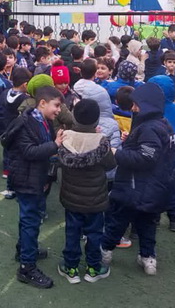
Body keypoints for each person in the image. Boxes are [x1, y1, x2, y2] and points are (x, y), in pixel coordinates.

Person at [100, 83, 175, 276]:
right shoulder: (163, 124)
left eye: (137, 104)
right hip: (155, 187)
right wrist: (130, 142)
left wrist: (116, 152)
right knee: (147, 224)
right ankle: (148, 257)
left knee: (118, 220)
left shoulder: (149, 128)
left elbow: (146, 158)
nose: (133, 108)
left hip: (135, 187)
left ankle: (105, 250)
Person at [3, 86, 65, 289]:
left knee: (29, 218)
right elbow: (29, 152)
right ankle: (26, 267)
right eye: (56, 105)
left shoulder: (42, 120)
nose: (59, 110)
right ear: (43, 103)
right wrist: (55, 144)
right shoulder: (26, 123)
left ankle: (23, 250)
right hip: (26, 179)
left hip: (34, 177)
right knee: (31, 221)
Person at [57, 99, 116, 284]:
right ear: (97, 120)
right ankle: (93, 267)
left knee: (72, 232)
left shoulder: (65, 138)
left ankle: (71, 268)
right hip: (95, 199)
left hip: (71, 198)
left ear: (74, 117)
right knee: (94, 233)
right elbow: (111, 165)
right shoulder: (101, 141)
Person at [148, 75, 175, 231]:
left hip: (156, 161)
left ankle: (154, 218)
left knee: (154, 191)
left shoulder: (152, 111)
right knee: (173, 191)